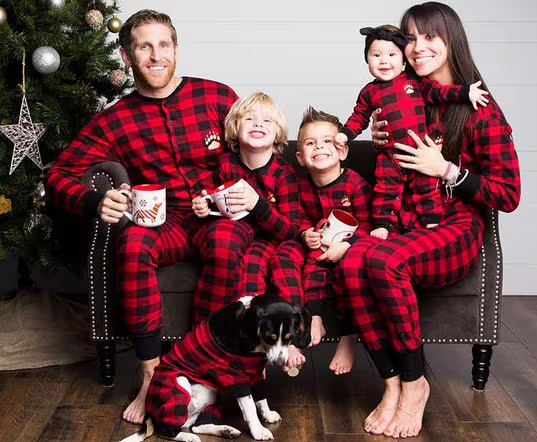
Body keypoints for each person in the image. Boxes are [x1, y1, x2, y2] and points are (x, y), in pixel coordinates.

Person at [45, 9, 238, 424]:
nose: (156, 55)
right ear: (127, 55)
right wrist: (94, 201)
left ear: (176, 49)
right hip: (162, 221)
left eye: (163, 45)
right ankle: (151, 371)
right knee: (131, 242)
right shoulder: (114, 120)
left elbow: (263, 140)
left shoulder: (217, 96)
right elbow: (58, 175)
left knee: (225, 241)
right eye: (144, 46)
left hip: (215, 216)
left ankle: (205, 367)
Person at [338, 2, 520, 438]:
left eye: (429, 37)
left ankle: (416, 384)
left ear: (451, 39)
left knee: (383, 261)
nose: (418, 48)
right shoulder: (400, 92)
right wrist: (373, 137)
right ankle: (392, 382)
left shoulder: (480, 110)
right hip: (402, 218)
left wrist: (447, 171)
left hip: (454, 227)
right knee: (348, 261)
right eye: (411, 38)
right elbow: (373, 136)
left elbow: (508, 195)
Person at [335, 24, 489, 239]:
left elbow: (439, 92)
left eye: (391, 54)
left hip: (421, 150)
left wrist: (465, 93)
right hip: (390, 155)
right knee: (385, 188)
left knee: (427, 185)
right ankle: (382, 223)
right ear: (367, 59)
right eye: (375, 55)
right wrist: (344, 135)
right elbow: (359, 116)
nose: (384, 61)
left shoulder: (413, 81)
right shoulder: (369, 92)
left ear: (403, 59)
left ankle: (432, 221)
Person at [190, 91, 301, 327]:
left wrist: (258, 205)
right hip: (233, 237)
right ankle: (207, 332)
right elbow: (213, 200)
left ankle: (253, 338)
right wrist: (203, 205)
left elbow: (292, 230)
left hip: (269, 238)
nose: (258, 123)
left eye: (267, 120)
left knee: (252, 265)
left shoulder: (283, 173)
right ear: (235, 127)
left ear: (277, 133)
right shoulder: (225, 164)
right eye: (249, 118)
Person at [285, 107, 372, 374]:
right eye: (311, 143)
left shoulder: (355, 184)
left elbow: (370, 224)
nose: (319, 147)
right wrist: (305, 233)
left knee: (349, 275)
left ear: (342, 151)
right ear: (300, 157)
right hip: (320, 247)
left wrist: (348, 245)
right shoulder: (299, 186)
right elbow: (297, 218)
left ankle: (348, 338)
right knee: (312, 267)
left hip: (352, 247)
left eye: (327, 142)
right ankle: (315, 316)